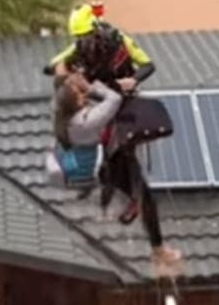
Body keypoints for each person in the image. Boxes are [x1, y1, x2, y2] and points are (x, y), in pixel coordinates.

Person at [53, 72, 182, 265]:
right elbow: (114, 99)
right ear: (75, 103)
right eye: (79, 95)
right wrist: (92, 87)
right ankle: (159, 251)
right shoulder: (85, 121)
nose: (84, 95)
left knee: (139, 192)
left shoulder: (66, 118)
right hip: (112, 163)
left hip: (110, 159)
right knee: (147, 199)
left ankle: (132, 205)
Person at [47, 3, 155, 95]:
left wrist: (133, 80)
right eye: (79, 37)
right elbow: (50, 66)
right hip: (96, 100)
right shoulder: (78, 47)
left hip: (126, 96)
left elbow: (148, 66)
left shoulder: (120, 40)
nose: (84, 41)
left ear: (97, 30)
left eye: (87, 35)